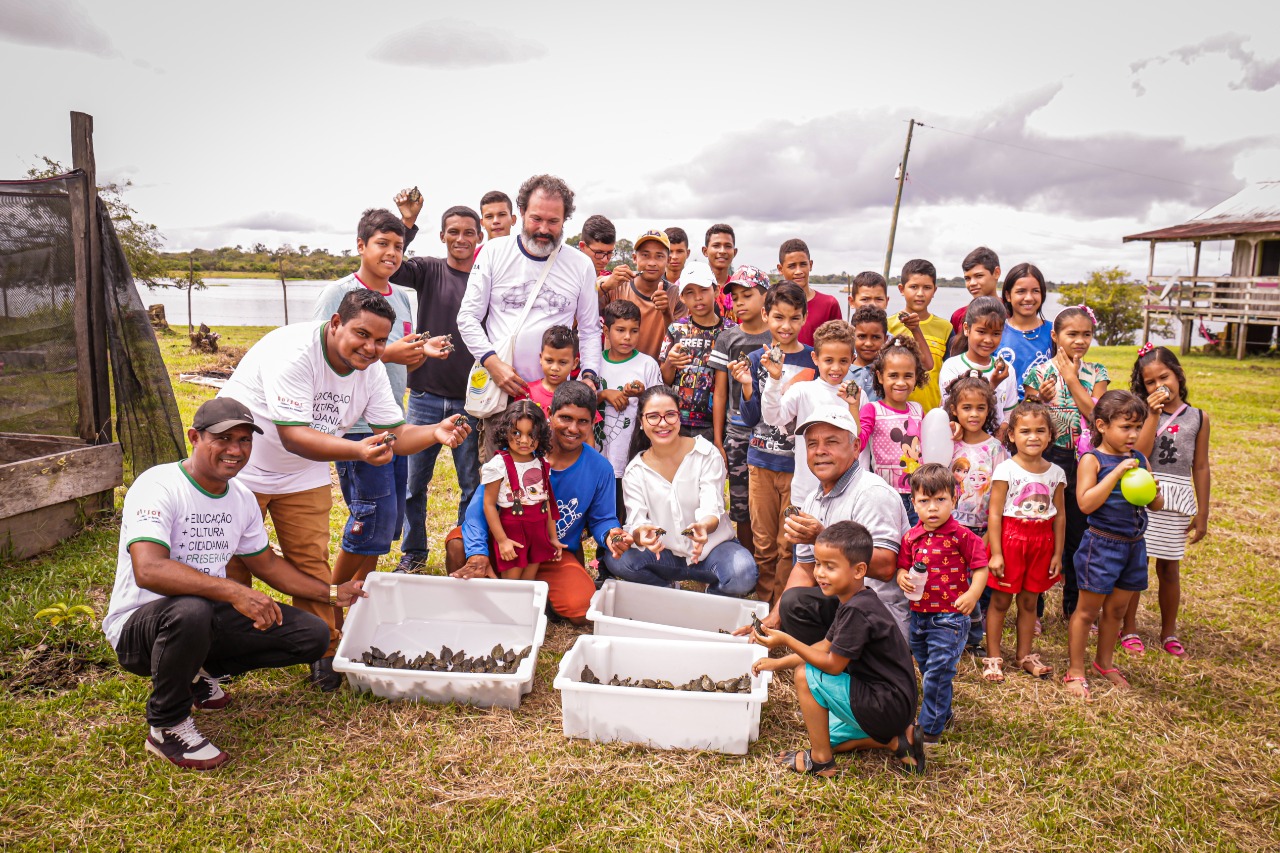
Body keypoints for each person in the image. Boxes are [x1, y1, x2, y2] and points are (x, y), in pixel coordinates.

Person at [219, 289, 470, 690]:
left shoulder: (369, 370)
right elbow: (294, 437)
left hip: (302, 473)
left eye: (380, 340)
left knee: (311, 561)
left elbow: (394, 435)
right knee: (228, 561)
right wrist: (356, 449)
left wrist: (434, 433)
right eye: (361, 335)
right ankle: (224, 648)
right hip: (242, 468)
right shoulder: (295, 352)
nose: (371, 348)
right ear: (335, 323)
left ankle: (323, 649)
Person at [102, 398, 367, 769]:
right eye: (223, 438)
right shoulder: (158, 485)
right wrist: (235, 591)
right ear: (194, 437)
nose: (235, 450)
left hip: (202, 618)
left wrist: (334, 593)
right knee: (191, 610)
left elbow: (267, 565)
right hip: (140, 627)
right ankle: (167, 725)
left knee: (312, 635)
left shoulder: (240, 497)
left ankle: (197, 671)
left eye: (244, 440)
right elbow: (149, 570)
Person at [311, 209, 432, 598]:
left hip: (391, 419)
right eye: (382, 243)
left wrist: (419, 352)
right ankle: (329, 605)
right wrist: (390, 353)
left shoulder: (402, 297)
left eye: (399, 246)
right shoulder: (338, 293)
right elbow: (322, 352)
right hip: (356, 426)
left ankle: (361, 597)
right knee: (370, 520)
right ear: (361, 246)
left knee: (387, 524)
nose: (392, 253)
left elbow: (397, 352)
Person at [750, 521, 924, 777]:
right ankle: (898, 740)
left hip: (886, 705)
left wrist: (786, 640)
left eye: (830, 567)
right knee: (825, 733)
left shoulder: (857, 610)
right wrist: (776, 664)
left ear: (859, 570)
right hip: (892, 705)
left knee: (805, 675)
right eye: (818, 564)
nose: (820, 573)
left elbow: (832, 664)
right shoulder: (856, 599)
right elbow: (823, 645)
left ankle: (821, 762)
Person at [450, 382, 632, 624]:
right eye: (565, 418)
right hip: (507, 545)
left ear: (593, 422)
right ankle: (483, 608)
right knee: (458, 546)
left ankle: (537, 595)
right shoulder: (518, 454)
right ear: (549, 415)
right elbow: (478, 510)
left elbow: (603, 519)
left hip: (548, 553)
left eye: (583, 421)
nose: (573, 428)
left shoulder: (600, 468)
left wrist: (612, 534)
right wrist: (478, 552)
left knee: (582, 609)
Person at [743, 405, 910, 641]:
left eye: (831, 442)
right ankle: (829, 656)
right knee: (793, 605)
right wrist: (771, 620)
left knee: (798, 604)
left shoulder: (872, 493)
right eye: (812, 444)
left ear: (855, 448)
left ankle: (843, 660)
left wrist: (823, 537)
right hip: (845, 606)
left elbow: (885, 568)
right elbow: (805, 568)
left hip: (880, 615)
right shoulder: (813, 499)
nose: (820, 451)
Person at [456, 173, 604, 419]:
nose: (544, 229)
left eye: (553, 221)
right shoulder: (494, 252)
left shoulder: (581, 265)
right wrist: (493, 365)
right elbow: (468, 317)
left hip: (554, 400)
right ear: (522, 212)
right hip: (501, 394)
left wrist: (589, 376)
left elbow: (589, 329)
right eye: (536, 218)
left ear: (565, 219)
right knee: (501, 459)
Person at [390, 199, 484, 573]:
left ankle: (459, 551)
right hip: (425, 397)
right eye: (454, 232)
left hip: (470, 401)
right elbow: (392, 266)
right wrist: (407, 222)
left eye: (469, 233)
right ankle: (413, 553)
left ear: (479, 238)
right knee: (414, 484)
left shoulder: (486, 276)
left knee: (470, 486)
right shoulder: (427, 270)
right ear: (442, 235)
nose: (461, 239)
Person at [611, 386, 758, 596]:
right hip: (664, 554)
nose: (663, 423)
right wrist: (640, 534)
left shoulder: (706, 453)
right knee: (618, 560)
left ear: (679, 418)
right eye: (653, 417)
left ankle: (712, 599)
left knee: (742, 572)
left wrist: (703, 527)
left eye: (670, 415)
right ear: (642, 422)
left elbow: (711, 506)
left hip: (711, 550)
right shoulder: (635, 470)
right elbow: (636, 520)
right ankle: (667, 592)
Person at [1064, 391, 1163, 700]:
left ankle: (1103, 662)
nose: (1133, 434)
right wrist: (1117, 474)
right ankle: (1076, 669)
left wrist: (1153, 490)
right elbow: (1085, 503)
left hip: (1134, 544)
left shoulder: (1140, 459)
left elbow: (1155, 505)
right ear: (1103, 425)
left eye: (1138, 427)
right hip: (1102, 545)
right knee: (1087, 611)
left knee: (1117, 610)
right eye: (1126, 427)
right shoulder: (1092, 460)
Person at [1120, 345, 1210, 659]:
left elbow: (1200, 466)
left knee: (1169, 569)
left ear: (1177, 374)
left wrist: (1203, 513)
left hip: (1176, 498)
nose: (1159, 385)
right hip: (1144, 492)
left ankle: (1168, 631)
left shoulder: (1198, 417)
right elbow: (1139, 454)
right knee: (1136, 566)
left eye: (1165, 376)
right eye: (1149, 382)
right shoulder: (1142, 414)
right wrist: (1153, 414)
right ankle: (1128, 627)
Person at [1022, 305, 1108, 619]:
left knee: (1077, 532)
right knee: (1041, 530)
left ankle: (1073, 605)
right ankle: (1035, 609)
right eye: (1072, 334)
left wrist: (1071, 379)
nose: (1080, 340)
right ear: (1056, 336)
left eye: (1086, 334)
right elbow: (1029, 421)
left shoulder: (1097, 372)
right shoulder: (1039, 372)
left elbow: (1098, 417)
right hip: (1048, 457)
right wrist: (1039, 400)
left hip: (1086, 460)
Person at [895, 463, 988, 743]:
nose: (932, 508)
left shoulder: (962, 536)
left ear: (954, 499)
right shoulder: (911, 537)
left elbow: (981, 567)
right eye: (924, 501)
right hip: (920, 617)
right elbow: (902, 567)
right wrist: (902, 577)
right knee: (926, 667)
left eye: (940, 500)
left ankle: (930, 730)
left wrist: (973, 594)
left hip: (950, 618)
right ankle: (942, 710)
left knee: (938, 671)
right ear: (914, 503)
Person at [735, 282, 814, 605]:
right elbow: (751, 417)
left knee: (788, 544)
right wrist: (747, 386)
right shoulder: (756, 358)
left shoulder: (814, 361)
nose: (786, 326)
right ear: (765, 315)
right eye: (778, 317)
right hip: (762, 463)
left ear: (805, 318)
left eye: (794, 318)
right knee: (764, 542)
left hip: (798, 469)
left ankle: (783, 607)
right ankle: (763, 603)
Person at [983, 401, 1065, 683]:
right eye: (1025, 431)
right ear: (1012, 436)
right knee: (1001, 600)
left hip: (1042, 542)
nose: (1033, 437)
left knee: (1030, 601)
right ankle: (993, 656)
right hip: (1011, 541)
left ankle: (1024, 655)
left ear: (1051, 435)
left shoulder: (1056, 473)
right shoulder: (1005, 469)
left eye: (1040, 430)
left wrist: (1057, 553)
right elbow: (994, 513)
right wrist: (996, 553)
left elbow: (1061, 516)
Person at [761, 319, 861, 509]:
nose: (836, 368)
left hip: (847, 494)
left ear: (853, 359)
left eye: (843, 361)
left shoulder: (856, 394)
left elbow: (857, 443)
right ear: (815, 358)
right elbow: (773, 417)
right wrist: (774, 380)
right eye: (828, 360)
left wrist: (854, 406)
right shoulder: (802, 390)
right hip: (807, 493)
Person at [943, 373, 1010, 650]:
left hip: (981, 529)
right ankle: (949, 631)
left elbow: (1000, 495)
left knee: (976, 583)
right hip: (950, 525)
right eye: (966, 407)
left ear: (989, 410)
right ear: (955, 410)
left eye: (980, 408)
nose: (973, 414)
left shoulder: (996, 449)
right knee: (951, 581)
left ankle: (975, 637)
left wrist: (989, 538)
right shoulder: (949, 442)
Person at [709, 265, 772, 550]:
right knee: (741, 504)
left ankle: (768, 561)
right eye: (735, 298)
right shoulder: (728, 337)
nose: (740, 303)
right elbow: (720, 392)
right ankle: (749, 558)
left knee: (770, 501)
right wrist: (719, 440)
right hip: (738, 433)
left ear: (765, 297)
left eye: (747, 295)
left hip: (772, 434)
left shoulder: (777, 337)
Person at [481, 400, 565, 580]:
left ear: (541, 434)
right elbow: (488, 505)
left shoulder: (541, 463)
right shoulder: (498, 465)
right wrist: (502, 541)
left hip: (538, 531)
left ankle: (525, 609)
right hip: (513, 531)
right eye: (516, 433)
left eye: (531, 434)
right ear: (505, 432)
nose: (524, 440)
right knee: (511, 583)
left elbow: (547, 503)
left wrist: (553, 538)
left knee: (529, 582)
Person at [597, 299, 663, 518]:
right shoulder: (595, 363)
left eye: (634, 331)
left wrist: (643, 395)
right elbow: (581, 399)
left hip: (635, 455)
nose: (627, 337)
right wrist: (605, 394)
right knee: (606, 511)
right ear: (606, 330)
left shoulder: (647, 364)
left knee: (634, 510)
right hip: (602, 455)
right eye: (620, 330)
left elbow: (660, 404)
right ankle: (605, 551)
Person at [658, 262, 734, 440]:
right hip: (677, 422)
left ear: (716, 291)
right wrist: (670, 362)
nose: (698, 297)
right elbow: (665, 379)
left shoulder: (731, 331)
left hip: (715, 424)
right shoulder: (676, 329)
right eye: (690, 292)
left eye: (703, 290)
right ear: (682, 298)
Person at [858, 334, 926, 524]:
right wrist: (853, 408)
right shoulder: (872, 409)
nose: (901, 382)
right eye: (893, 375)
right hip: (884, 495)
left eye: (908, 376)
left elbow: (931, 445)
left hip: (918, 496)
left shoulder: (918, 410)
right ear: (880, 376)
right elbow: (859, 442)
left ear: (916, 377)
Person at [938, 296, 1018, 439]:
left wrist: (1000, 433)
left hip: (996, 448)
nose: (988, 340)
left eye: (996, 334)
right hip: (961, 445)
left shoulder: (1007, 370)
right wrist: (992, 385)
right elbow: (952, 412)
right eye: (981, 332)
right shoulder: (952, 367)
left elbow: (1009, 411)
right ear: (967, 329)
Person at [597, 229, 685, 360]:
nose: (652, 263)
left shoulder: (677, 295)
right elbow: (581, 307)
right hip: (613, 372)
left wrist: (666, 312)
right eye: (645, 255)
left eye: (659, 256)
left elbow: (680, 341)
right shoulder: (616, 284)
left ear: (668, 260)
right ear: (634, 258)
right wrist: (607, 285)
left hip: (656, 376)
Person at [887, 259, 947, 412]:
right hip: (894, 411)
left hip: (932, 410)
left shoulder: (946, 328)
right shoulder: (888, 325)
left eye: (927, 288)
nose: (920, 293)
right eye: (913, 287)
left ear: (934, 290)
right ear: (901, 289)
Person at [996, 263, 1054, 400]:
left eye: (1035, 291)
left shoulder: (1054, 332)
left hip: (1044, 414)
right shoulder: (996, 332)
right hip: (1003, 413)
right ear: (1008, 295)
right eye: (1021, 291)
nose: (1029, 297)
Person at [778, 238, 843, 346]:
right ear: (780, 269)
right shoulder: (771, 304)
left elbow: (840, 344)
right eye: (792, 266)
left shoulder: (829, 304)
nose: (798, 271)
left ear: (810, 265)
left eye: (803, 264)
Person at [524, 325, 581, 415]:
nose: (555, 368)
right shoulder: (526, 392)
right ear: (541, 358)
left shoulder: (580, 397)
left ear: (574, 363)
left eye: (562, 362)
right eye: (549, 361)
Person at [950, 246, 1002, 336]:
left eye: (979, 276)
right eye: (967, 278)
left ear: (996, 273)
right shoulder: (958, 316)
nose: (972, 283)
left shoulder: (1012, 312)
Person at [848, 305, 887, 403]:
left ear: (885, 339)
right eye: (862, 336)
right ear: (852, 337)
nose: (868, 343)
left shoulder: (888, 371)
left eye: (875, 337)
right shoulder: (842, 371)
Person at [702, 223, 738, 297]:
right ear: (705, 251)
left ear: (734, 252)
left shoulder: (739, 289)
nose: (722, 251)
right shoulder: (692, 286)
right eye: (716, 246)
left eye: (728, 246)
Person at [577, 214, 616, 279]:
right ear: (582, 247)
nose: (605, 260)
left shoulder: (610, 279)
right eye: (599, 252)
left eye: (609, 253)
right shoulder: (567, 277)